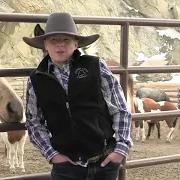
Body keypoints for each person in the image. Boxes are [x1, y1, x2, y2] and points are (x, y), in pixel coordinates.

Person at [23, 12, 133, 180]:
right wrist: (52, 154)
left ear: (76, 43)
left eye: (66, 40)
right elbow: (34, 122)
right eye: (54, 40)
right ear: (45, 44)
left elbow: (120, 108)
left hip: (104, 162)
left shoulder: (96, 66)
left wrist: (120, 148)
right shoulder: (36, 79)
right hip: (66, 168)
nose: (60, 45)